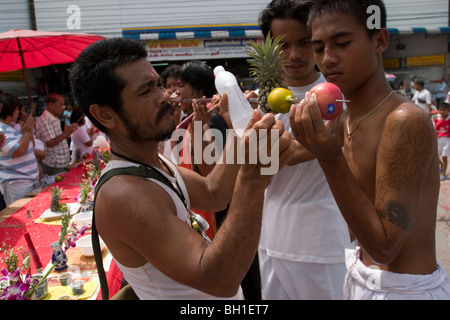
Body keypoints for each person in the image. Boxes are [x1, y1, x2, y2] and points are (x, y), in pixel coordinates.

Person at [70, 37, 293, 300]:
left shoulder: (154, 163)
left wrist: (242, 134)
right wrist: (253, 179)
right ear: (105, 115)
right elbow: (219, 280)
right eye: (146, 91)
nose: (165, 96)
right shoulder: (123, 193)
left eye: (158, 85)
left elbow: (213, 193)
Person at [289, 0, 450, 299]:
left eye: (342, 43)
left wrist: (329, 157)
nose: (328, 59)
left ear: (380, 40)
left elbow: (385, 247)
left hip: (405, 291)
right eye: (320, 48)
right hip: (360, 276)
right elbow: (284, 156)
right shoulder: (345, 117)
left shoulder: (404, 121)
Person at [256, 0, 351, 300]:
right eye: (283, 45)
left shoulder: (340, 96)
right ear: (269, 47)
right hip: (270, 240)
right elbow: (257, 169)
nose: (294, 55)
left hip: (322, 244)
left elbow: (274, 157)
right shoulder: (260, 101)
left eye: (304, 43)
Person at [0, 93, 40, 205]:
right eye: (17, 109)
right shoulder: (1, 129)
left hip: (29, 181)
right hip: (17, 184)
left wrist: (28, 131)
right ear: (9, 110)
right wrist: (27, 131)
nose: (19, 112)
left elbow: (31, 145)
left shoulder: (13, 127)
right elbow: (17, 151)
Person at [36, 93, 78, 176]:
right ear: (51, 105)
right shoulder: (45, 120)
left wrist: (67, 133)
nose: (64, 107)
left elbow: (57, 138)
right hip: (54, 164)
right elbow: (50, 142)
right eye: (61, 105)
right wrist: (66, 133)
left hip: (61, 163)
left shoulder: (53, 118)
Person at [434, 102, 450, 180]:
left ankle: (443, 173)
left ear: (448, 111)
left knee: (444, 157)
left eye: (444, 110)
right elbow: (434, 129)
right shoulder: (436, 119)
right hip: (438, 139)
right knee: (436, 156)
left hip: (447, 139)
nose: (442, 112)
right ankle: (441, 166)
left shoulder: (449, 119)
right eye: (440, 110)